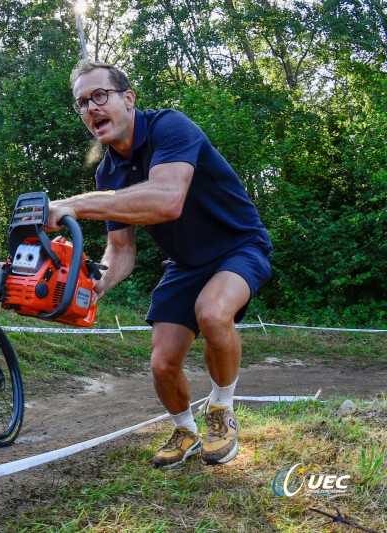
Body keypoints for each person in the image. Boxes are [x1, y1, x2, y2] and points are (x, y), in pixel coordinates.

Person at [47, 60, 272, 469]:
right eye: (82, 103)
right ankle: (185, 430)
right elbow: (121, 250)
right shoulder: (108, 171)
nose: (92, 108)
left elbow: (167, 199)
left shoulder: (170, 126)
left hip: (238, 246)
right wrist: (96, 281)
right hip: (184, 264)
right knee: (162, 363)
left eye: (100, 96)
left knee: (212, 312)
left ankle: (221, 411)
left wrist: (73, 205)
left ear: (128, 99)